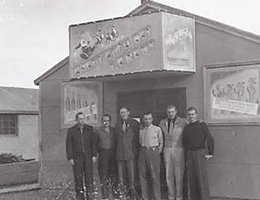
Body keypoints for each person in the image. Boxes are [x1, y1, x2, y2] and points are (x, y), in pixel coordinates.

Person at [183, 106, 214, 200]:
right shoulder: (187, 127)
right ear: (187, 116)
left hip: (200, 152)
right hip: (189, 153)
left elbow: (210, 138)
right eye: (189, 115)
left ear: (196, 114)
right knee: (192, 178)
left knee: (201, 177)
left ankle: (204, 198)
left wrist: (211, 152)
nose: (191, 116)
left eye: (193, 114)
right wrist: (186, 157)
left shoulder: (202, 124)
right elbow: (185, 142)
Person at [66, 112, 97, 200]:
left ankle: (90, 197)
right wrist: (70, 158)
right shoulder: (72, 130)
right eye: (80, 119)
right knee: (78, 179)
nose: (82, 120)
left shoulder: (89, 129)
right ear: (76, 120)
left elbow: (93, 143)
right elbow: (69, 145)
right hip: (77, 158)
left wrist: (94, 155)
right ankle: (80, 198)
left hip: (88, 157)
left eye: (83, 118)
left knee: (89, 178)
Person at [159, 105, 187, 200]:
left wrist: (201, 121)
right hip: (167, 149)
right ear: (167, 113)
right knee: (168, 174)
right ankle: (171, 196)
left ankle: (179, 197)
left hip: (179, 149)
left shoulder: (183, 122)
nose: (171, 114)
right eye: (169, 112)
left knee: (179, 174)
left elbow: (192, 125)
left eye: (172, 112)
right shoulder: (162, 122)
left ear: (176, 112)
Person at [115, 107, 140, 199]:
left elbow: (138, 139)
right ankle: (123, 196)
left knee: (132, 177)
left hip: (131, 154)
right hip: (120, 154)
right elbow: (115, 139)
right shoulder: (117, 124)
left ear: (128, 112)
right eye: (121, 112)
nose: (123, 114)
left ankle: (133, 196)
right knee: (121, 178)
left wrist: (136, 152)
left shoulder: (134, 123)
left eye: (125, 112)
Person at [139, 112, 163, 200]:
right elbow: (140, 142)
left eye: (149, 118)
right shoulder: (141, 130)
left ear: (152, 119)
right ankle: (145, 197)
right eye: (146, 119)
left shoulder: (157, 129)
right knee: (143, 176)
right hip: (143, 151)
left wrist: (156, 152)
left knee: (155, 176)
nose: (147, 121)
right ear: (143, 120)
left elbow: (161, 143)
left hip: (153, 152)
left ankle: (157, 197)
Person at [95, 114, 117, 199]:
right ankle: (105, 197)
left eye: (107, 121)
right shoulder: (98, 131)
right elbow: (95, 144)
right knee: (104, 177)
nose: (106, 122)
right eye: (104, 120)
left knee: (114, 176)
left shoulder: (114, 131)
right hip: (103, 154)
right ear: (102, 121)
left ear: (110, 121)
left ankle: (115, 196)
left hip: (113, 155)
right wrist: (101, 152)